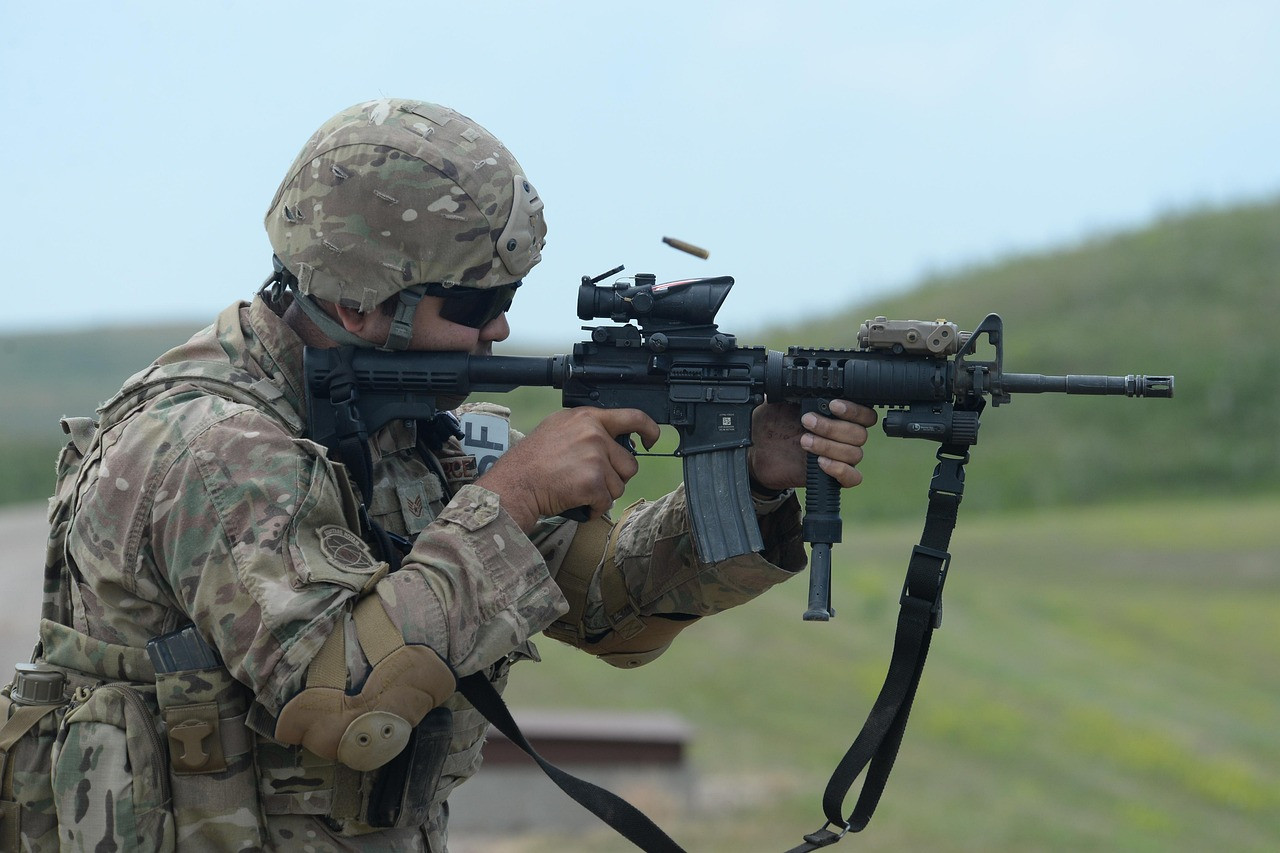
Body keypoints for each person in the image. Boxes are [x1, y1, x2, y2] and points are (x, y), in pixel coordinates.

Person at [23, 99, 876, 851]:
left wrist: (755, 480)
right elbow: (349, 707)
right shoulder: (213, 448)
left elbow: (608, 610)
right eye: (470, 306)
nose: (500, 327)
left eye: (508, 295)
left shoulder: (408, 430)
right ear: (358, 303)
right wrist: (513, 499)